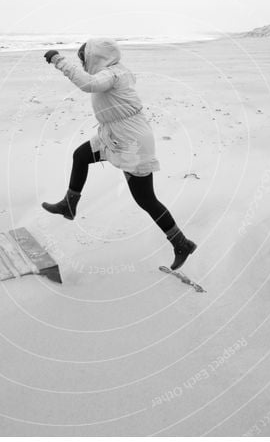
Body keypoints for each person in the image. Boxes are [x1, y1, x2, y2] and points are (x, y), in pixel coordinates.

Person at [41, 38, 197, 270]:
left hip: (131, 141)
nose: (82, 64)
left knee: (145, 199)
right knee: (81, 156)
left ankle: (181, 243)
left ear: (96, 57)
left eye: (84, 59)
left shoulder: (110, 75)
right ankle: (69, 205)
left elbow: (88, 84)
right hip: (114, 135)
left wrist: (58, 60)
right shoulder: (113, 71)